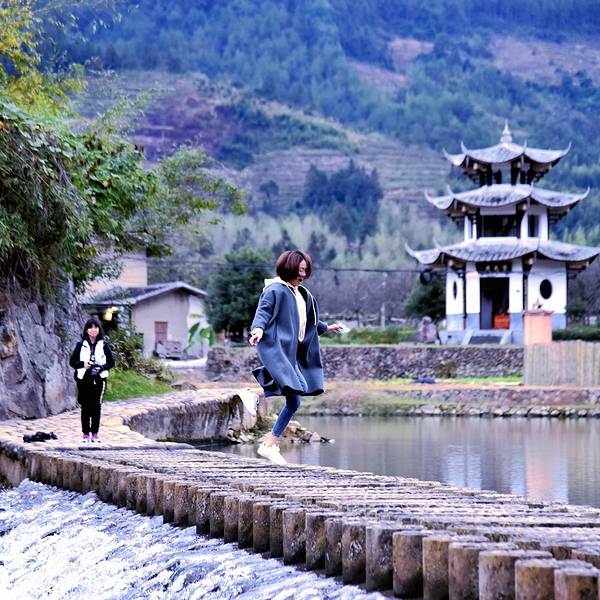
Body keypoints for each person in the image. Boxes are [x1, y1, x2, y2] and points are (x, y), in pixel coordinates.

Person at [248, 249, 342, 464]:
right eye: (300, 269)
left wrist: (327, 328)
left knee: (294, 402)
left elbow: (308, 320)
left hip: (293, 353)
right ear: (288, 268)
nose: (303, 274)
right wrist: (258, 329)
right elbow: (263, 312)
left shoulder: (302, 293)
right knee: (298, 387)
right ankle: (255, 394)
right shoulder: (275, 290)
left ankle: (269, 444)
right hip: (279, 347)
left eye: (305, 270)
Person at [69, 317, 115, 443]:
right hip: (84, 378)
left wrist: (102, 367)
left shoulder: (103, 345)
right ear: (86, 330)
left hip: (99, 378)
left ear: (99, 330)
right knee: (85, 406)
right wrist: (83, 364)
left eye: (96, 327)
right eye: (91, 328)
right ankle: (85, 433)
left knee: (96, 406)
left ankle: (95, 433)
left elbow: (111, 362)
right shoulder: (81, 345)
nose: (93, 330)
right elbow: (72, 362)